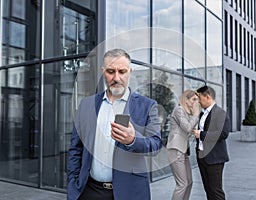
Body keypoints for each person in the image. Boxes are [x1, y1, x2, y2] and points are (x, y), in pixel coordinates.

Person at [67, 48, 162, 200]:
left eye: (122, 71)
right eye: (111, 71)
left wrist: (133, 140)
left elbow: (156, 145)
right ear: (103, 71)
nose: (116, 78)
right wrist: (72, 183)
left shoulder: (147, 106)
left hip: (129, 192)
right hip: (88, 191)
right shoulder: (86, 104)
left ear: (130, 71)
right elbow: (76, 148)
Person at [193, 86, 230, 200]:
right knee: (208, 189)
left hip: (215, 158)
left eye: (200, 98)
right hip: (202, 156)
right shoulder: (202, 113)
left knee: (216, 191)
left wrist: (202, 135)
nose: (199, 101)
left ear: (207, 96)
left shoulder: (220, 113)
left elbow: (223, 134)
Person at [167, 89, 200, 200]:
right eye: (194, 99)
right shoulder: (179, 110)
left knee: (189, 182)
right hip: (176, 150)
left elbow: (189, 130)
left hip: (182, 151)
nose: (196, 102)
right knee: (182, 184)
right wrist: (196, 115)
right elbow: (187, 128)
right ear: (186, 100)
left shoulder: (185, 113)